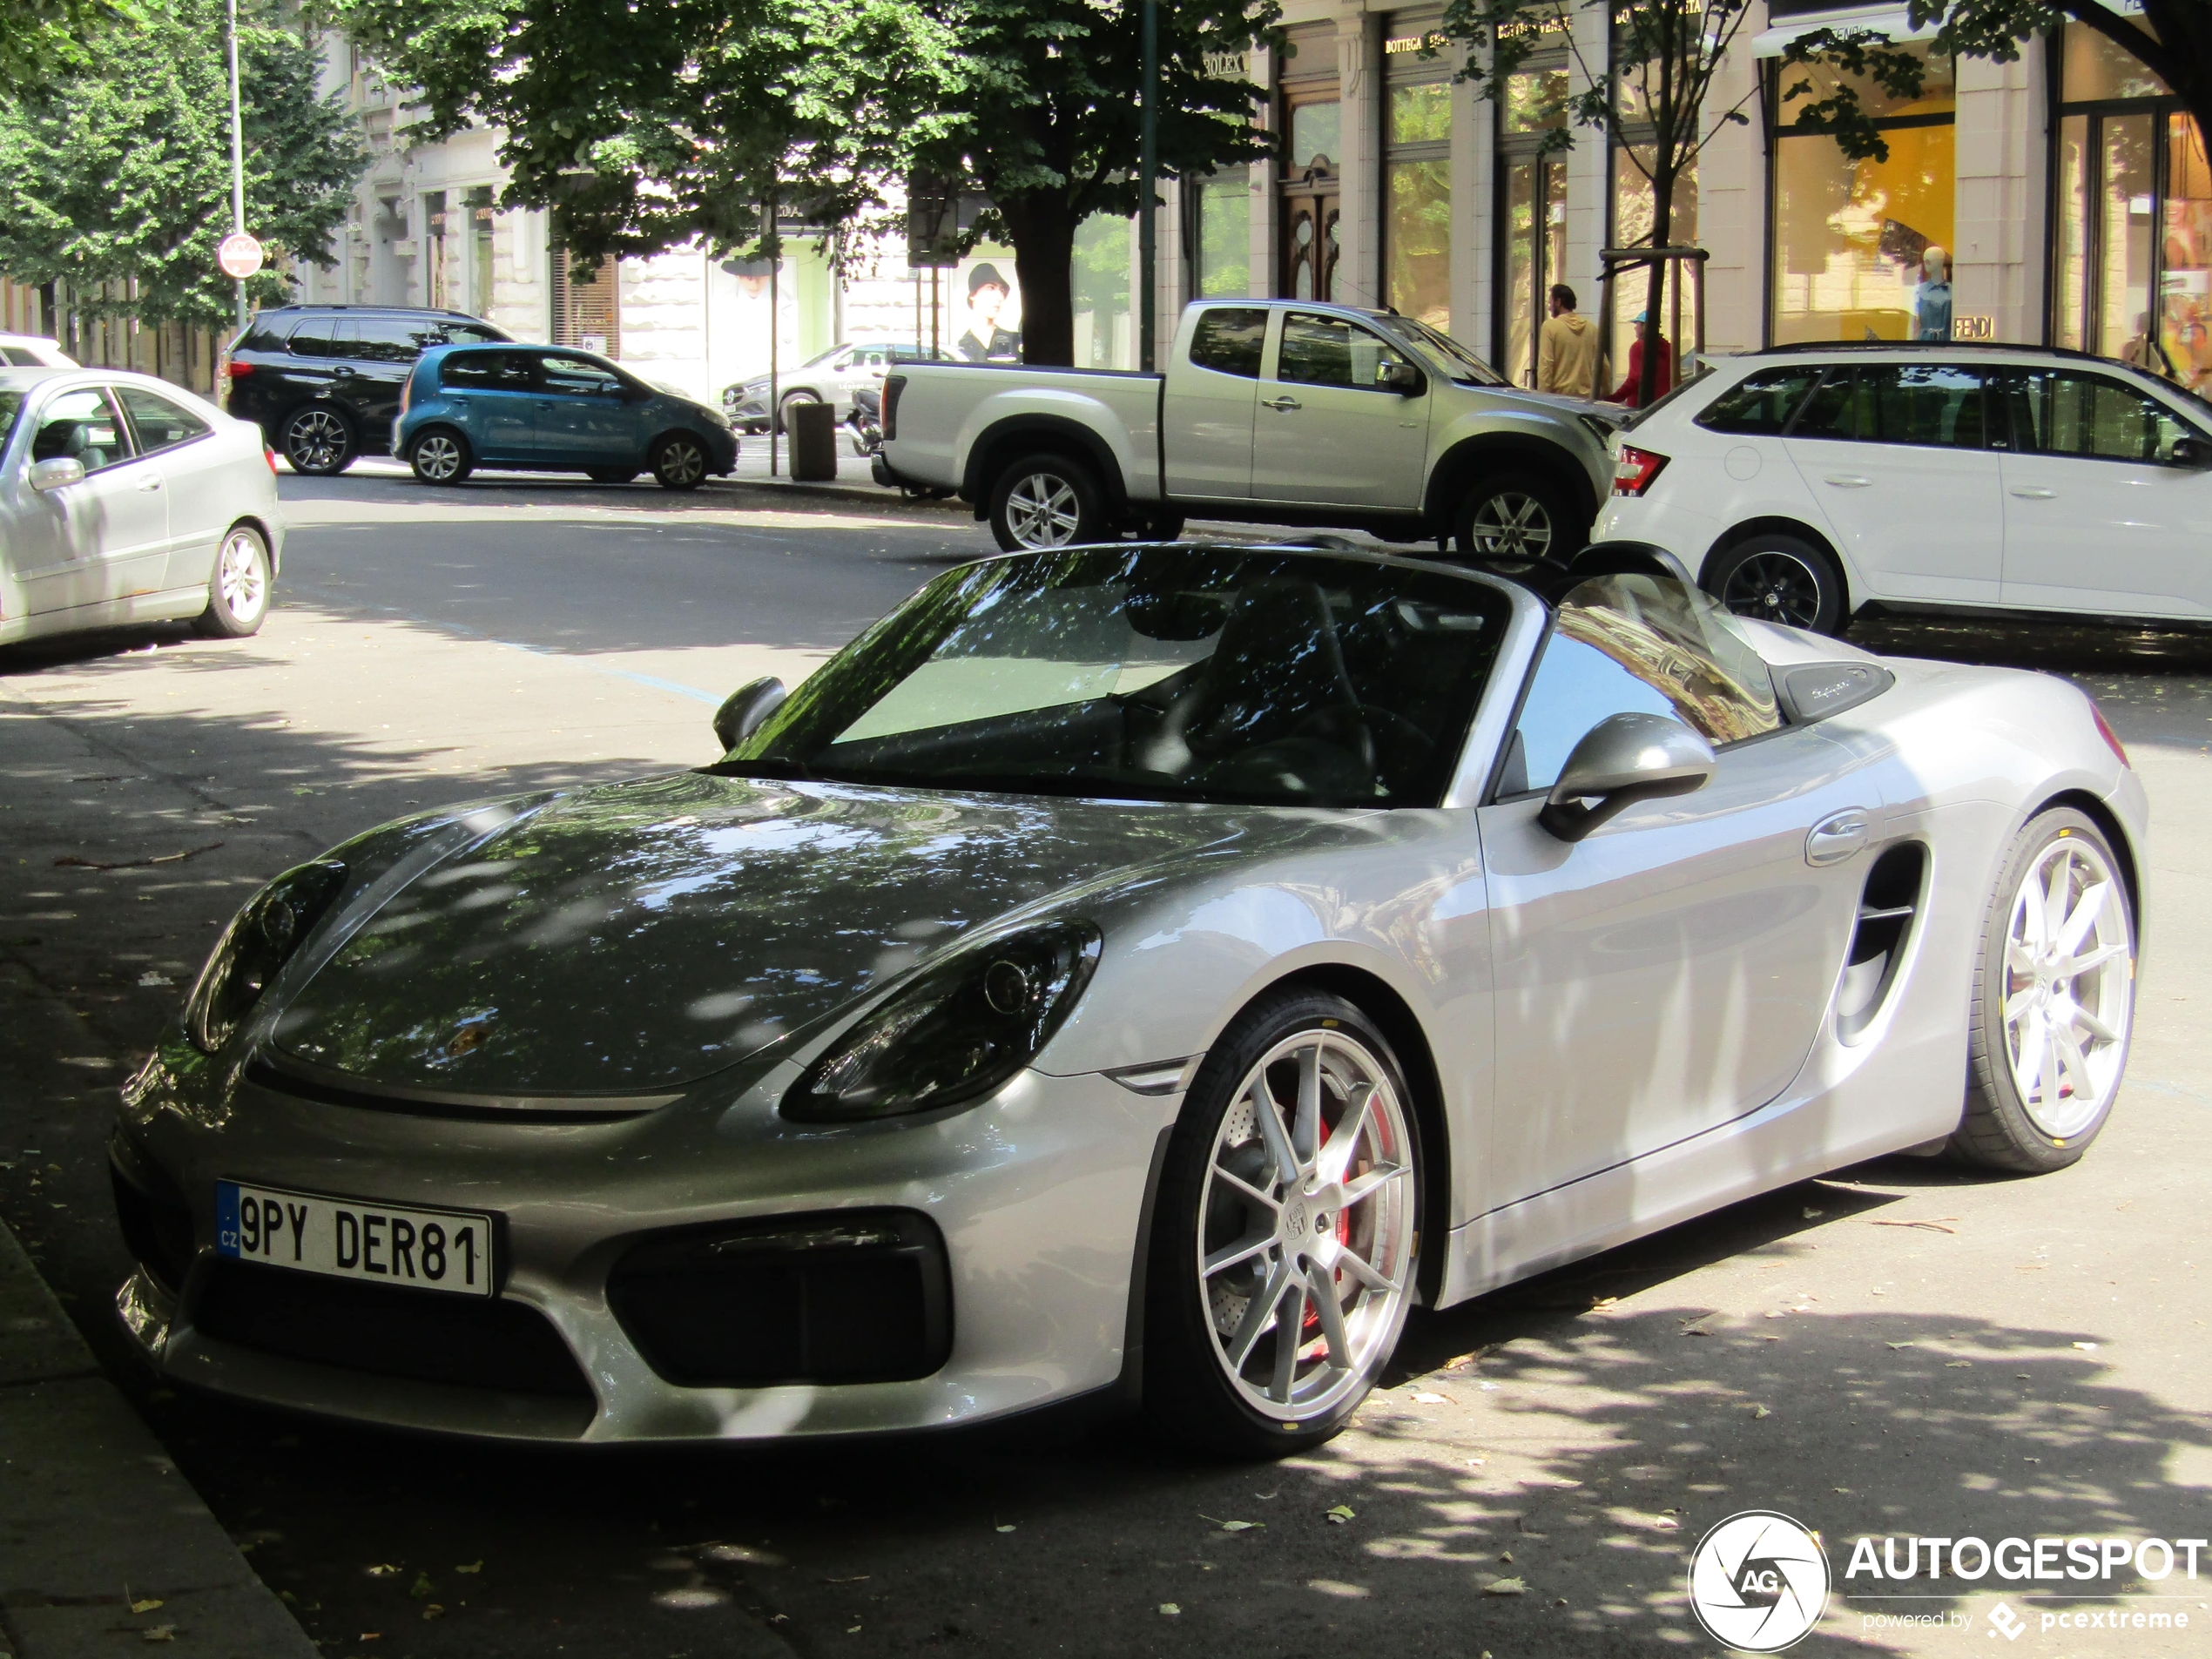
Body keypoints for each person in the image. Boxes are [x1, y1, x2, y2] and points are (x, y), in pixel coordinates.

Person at [1535, 283, 1600, 398]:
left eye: (1550, 303)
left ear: (1558, 302)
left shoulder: (1550, 327)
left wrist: (1542, 397)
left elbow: (1546, 365)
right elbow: (1603, 366)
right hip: (1586, 400)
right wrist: (1603, 396)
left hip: (1560, 399)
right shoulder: (1591, 329)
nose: (1549, 308)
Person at [957, 263, 1022, 361]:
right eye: (991, 288)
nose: (999, 297)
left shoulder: (1014, 341)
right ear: (973, 294)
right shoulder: (962, 348)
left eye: (1002, 291)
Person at [1607, 312, 1673, 408]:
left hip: (1641, 405)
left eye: (1637, 324)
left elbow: (1635, 379)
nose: (1635, 328)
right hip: (1663, 404)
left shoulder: (1638, 347)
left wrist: (1614, 398)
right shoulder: (1668, 348)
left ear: (1644, 326)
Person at [1912, 246, 1952, 342]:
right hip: (1924, 342)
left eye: (1931, 259)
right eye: (1925, 259)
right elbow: (1913, 324)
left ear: (1941, 261)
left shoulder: (1953, 290)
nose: (1926, 262)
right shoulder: (1918, 290)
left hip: (1947, 342)